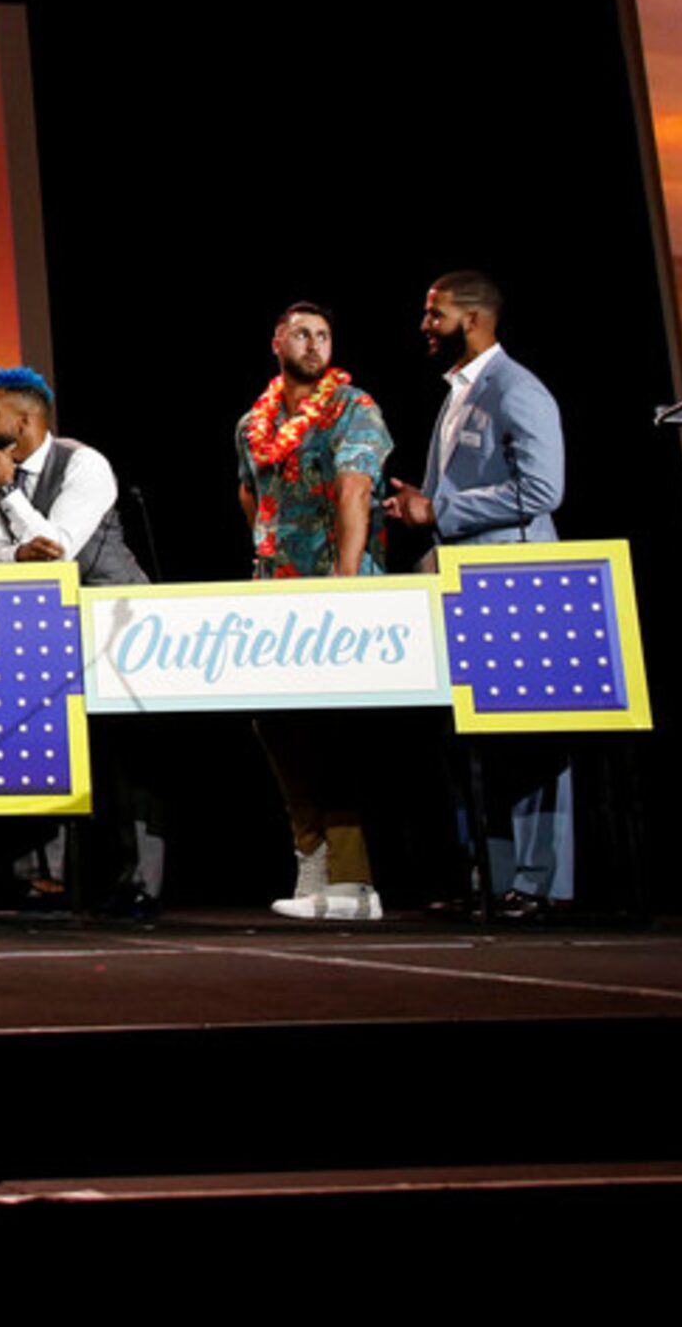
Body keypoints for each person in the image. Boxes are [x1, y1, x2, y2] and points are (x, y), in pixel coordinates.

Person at [390, 271, 572, 919]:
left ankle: (540, 883)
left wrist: (437, 508)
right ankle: (491, 882)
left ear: (470, 319)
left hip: (516, 584)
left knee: (530, 740)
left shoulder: (514, 388)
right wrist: (423, 512)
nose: (423, 327)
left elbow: (542, 491)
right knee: (477, 740)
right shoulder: (460, 394)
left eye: (432, 314)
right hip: (467, 586)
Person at [0, 366, 160, 920]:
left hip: (116, 618)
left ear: (24, 421)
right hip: (45, 620)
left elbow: (58, 549)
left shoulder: (85, 464)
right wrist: (9, 516)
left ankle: (140, 883)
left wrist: (7, 492)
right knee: (42, 741)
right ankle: (45, 879)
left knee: (127, 754)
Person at [236, 302, 396, 921]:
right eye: (302, 334)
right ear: (277, 340)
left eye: (324, 335)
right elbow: (250, 491)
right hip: (279, 595)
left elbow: (356, 487)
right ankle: (313, 867)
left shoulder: (353, 409)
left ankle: (355, 886)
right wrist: (266, 559)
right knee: (276, 722)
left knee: (339, 729)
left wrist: (346, 583)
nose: (314, 344)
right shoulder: (254, 423)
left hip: (339, 594)